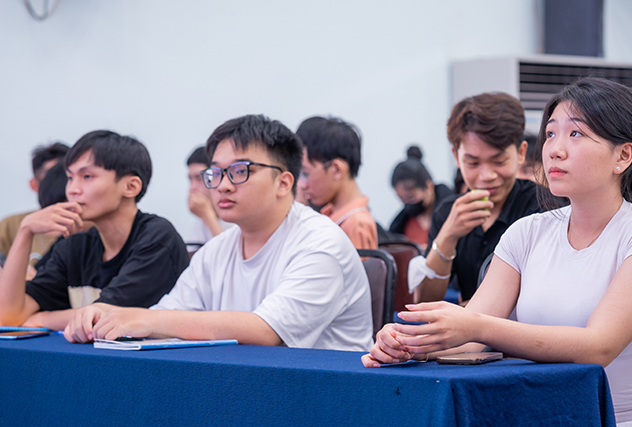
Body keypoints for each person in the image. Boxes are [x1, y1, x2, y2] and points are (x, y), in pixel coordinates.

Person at [364, 78, 632, 427]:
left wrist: (473, 326)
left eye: (576, 134)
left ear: (623, 155)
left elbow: (598, 347)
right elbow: (471, 335)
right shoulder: (528, 232)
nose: (555, 149)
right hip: (559, 425)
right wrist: (413, 344)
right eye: (550, 134)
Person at [63, 115, 374, 351]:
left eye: (240, 171)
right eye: (215, 173)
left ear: (283, 182)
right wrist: (108, 314)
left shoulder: (320, 242)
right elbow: (170, 313)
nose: (223, 185)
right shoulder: (217, 249)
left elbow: (268, 331)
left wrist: (144, 319)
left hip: (325, 397)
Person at [0, 131, 189, 330]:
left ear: (131, 186)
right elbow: (9, 316)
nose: (72, 189)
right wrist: (25, 231)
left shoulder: (157, 238)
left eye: (87, 176)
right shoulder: (76, 244)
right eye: (70, 177)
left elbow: (104, 315)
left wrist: (42, 319)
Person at [412, 92, 544, 304]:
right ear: (457, 157)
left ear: (520, 153)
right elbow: (425, 301)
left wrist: (464, 312)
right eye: (473, 163)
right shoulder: (448, 212)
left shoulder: (543, 207)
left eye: (499, 161)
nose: (486, 176)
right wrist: (447, 236)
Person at [296, 116, 378, 250]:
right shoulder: (330, 215)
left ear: (336, 170)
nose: (302, 185)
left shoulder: (356, 225)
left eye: (305, 173)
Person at [0, 142, 70, 264]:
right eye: (51, 176)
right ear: (34, 185)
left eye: (68, 176)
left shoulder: (90, 226)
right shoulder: (11, 226)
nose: (60, 182)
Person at [388, 146, 453, 249]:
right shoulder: (401, 224)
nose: (407, 203)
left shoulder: (450, 215)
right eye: (402, 199)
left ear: (429, 187)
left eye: (411, 197)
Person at [185, 146, 231, 246]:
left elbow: (229, 252)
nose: (192, 188)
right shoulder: (200, 219)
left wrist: (207, 216)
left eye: (199, 178)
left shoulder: (234, 216)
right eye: (190, 179)